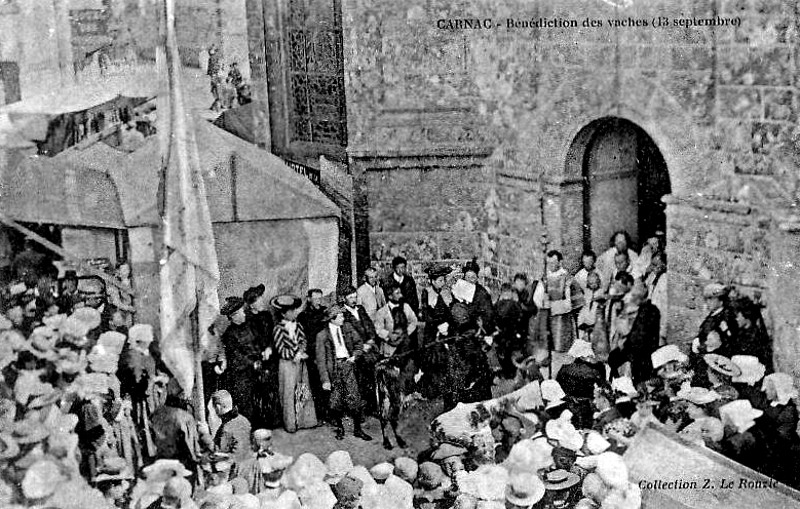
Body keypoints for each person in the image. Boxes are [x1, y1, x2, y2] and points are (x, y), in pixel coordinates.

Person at [316, 305, 372, 441]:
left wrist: (354, 356)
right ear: (332, 319)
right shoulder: (322, 336)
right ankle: (340, 428)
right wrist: (325, 380)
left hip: (348, 366)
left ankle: (358, 429)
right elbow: (321, 360)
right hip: (333, 370)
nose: (343, 318)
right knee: (336, 400)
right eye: (340, 316)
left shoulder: (347, 328)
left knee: (355, 397)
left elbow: (359, 344)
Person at [272, 294, 318, 432]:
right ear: (283, 314)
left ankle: (305, 421)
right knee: (289, 393)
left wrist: (301, 352)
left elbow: (303, 340)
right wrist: (294, 354)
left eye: (294, 310)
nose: (294, 313)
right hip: (287, 365)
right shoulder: (278, 329)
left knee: (302, 389)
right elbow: (280, 349)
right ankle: (291, 424)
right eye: (291, 311)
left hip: (300, 363)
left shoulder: (297, 325)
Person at [608, 281, 661, 384]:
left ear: (640, 298)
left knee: (614, 358)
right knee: (613, 358)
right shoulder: (645, 309)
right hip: (636, 347)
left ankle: (621, 383)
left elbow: (639, 337)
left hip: (642, 351)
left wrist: (625, 347)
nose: (632, 299)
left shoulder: (649, 311)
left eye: (634, 296)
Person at [243, 284, 280, 429]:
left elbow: (272, 335)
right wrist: (260, 353)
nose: (262, 301)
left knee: (271, 388)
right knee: (258, 391)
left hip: (270, 358)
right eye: (259, 300)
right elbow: (249, 341)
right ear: (252, 304)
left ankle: (273, 420)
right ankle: (260, 423)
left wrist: (270, 348)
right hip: (256, 360)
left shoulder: (266, 315)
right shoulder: (247, 319)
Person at [150, 379, 202, 477]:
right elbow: (192, 448)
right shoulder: (185, 417)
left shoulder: (155, 414)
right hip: (181, 465)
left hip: (160, 460)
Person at [340, 285, 379, 416]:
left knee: (372, 379)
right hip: (355, 352)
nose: (353, 299)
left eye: (355, 296)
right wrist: (362, 347)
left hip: (369, 348)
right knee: (358, 382)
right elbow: (347, 337)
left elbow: (370, 326)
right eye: (350, 297)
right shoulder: (342, 313)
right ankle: (359, 411)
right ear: (343, 298)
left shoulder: (360, 309)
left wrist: (371, 339)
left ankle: (372, 408)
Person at [220, 297, 260, 422]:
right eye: (242, 312)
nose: (244, 314)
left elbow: (255, 345)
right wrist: (252, 363)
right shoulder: (229, 335)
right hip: (239, 377)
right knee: (244, 405)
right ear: (234, 315)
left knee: (254, 403)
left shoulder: (247, 327)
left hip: (252, 373)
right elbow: (236, 358)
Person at [690, 283, 738, 387]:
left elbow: (727, 340)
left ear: (720, 300)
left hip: (717, 362)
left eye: (711, 299)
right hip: (705, 359)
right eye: (707, 299)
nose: (708, 302)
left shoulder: (726, 316)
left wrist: (704, 347)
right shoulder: (712, 316)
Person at [419, 264, 454, 396]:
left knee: (444, 359)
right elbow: (426, 314)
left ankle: (444, 387)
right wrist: (437, 326)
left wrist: (447, 324)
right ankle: (431, 389)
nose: (442, 283)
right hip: (432, 331)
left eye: (443, 280)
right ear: (432, 281)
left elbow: (448, 312)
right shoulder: (426, 292)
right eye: (439, 280)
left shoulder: (445, 293)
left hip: (444, 330)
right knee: (432, 360)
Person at [533, 250, 575, 354]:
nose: (551, 265)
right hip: (546, 321)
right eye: (549, 263)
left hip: (562, 323)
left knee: (561, 353)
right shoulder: (545, 278)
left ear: (560, 262)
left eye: (553, 262)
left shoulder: (568, 278)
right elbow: (537, 298)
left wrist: (552, 305)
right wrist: (543, 303)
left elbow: (570, 303)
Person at [298, 288, 328, 422]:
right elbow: (307, 334)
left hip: (326, 351)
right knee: (316, 385)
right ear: (309, 299)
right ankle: (320, 415)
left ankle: (329, 412)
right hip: (312, 353)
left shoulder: (324, 310)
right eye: (315, 298)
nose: (318, 301)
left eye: (320, 298)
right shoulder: (303, 316)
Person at [209, 390, 252, 465]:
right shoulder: (243, 420)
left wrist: (205, 434)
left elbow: (219, 452)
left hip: (235, 469)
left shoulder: (227, 428)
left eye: (213, 407)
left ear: (218, 407)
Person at [728, 296, 772, 367]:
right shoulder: (741, 331)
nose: (737, 319)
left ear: (746, 318)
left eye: (739, 316)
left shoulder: (755, 336)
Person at [645, 251, 668, 345]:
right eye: (652, 264)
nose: (653, 268)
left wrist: (663, 330)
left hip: (660, 321)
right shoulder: (653, 276)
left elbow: (665, 307)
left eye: (656, 265)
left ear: (665, 264)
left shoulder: (665, 279)